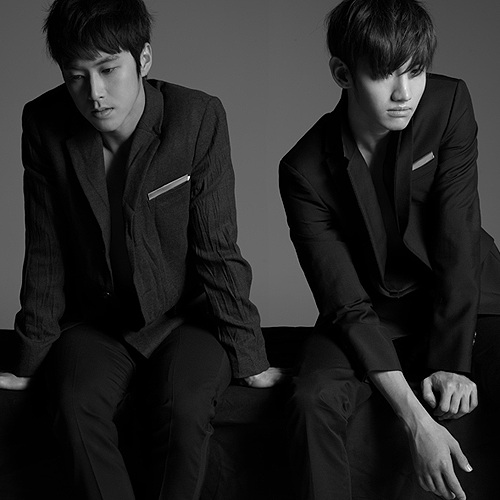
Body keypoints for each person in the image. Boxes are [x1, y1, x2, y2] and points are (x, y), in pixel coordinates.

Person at [0, 0, 287, 498]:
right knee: (73, 405)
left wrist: (251, 359)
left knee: (185, 409)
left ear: (144, 59)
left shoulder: (196, 117)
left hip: (187, 318)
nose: (94, 93)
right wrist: (29, 361)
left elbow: (218, 249)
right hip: (95, 321)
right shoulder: (44, 123)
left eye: (109, 69)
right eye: (76, 77)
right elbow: (45, 252)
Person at [278, 0, 500, 499]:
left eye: (415, 71)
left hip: (467, 294)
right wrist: (416, 421)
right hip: (372, 310)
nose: (404, 93)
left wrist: (452, 362)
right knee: (312, 398)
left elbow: (459, 238)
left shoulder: (447, 104)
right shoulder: (303, 170)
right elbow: (343, 300)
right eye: (383, 75)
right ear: (342, 73)